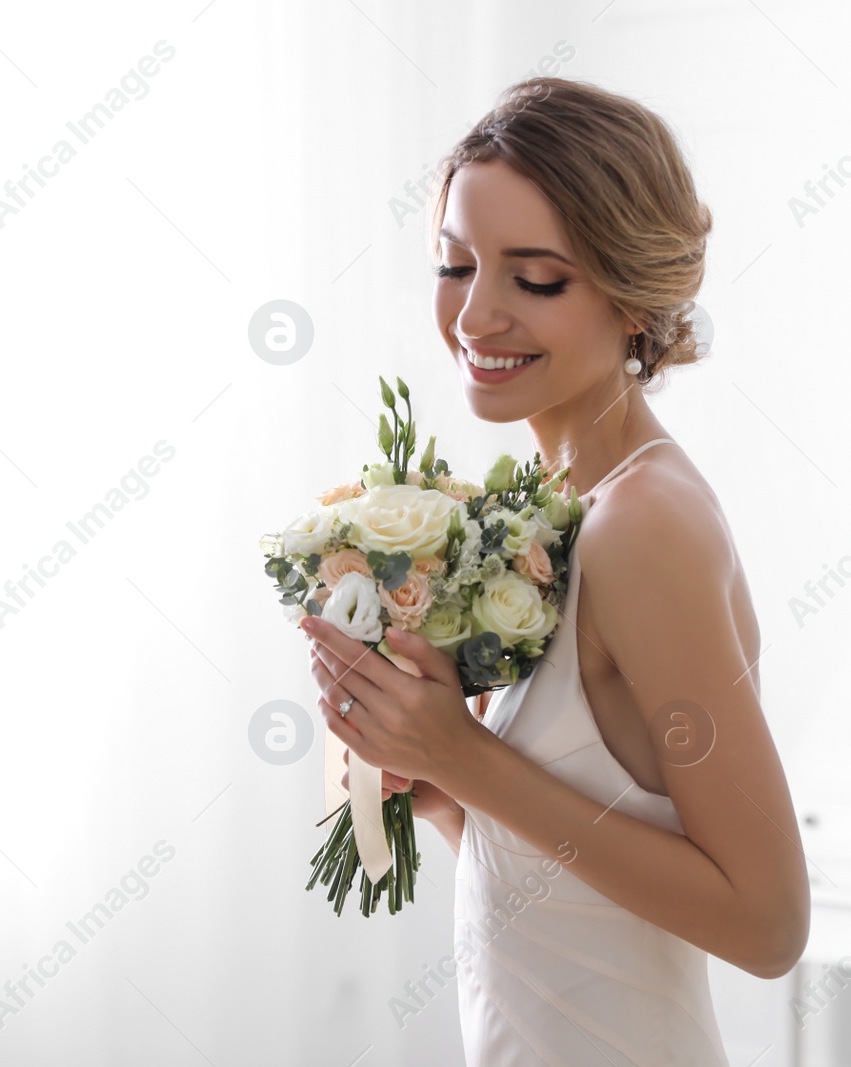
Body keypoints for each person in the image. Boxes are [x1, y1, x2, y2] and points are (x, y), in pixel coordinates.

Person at [305, 76, 809, 1066]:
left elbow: (768, 921)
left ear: (632, 297)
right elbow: (573, 901)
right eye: (456, 264)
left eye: (534, 279)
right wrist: (436, 784)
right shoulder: (554, 512)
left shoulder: (642, 524)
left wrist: (467, 758)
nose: (477, 316)